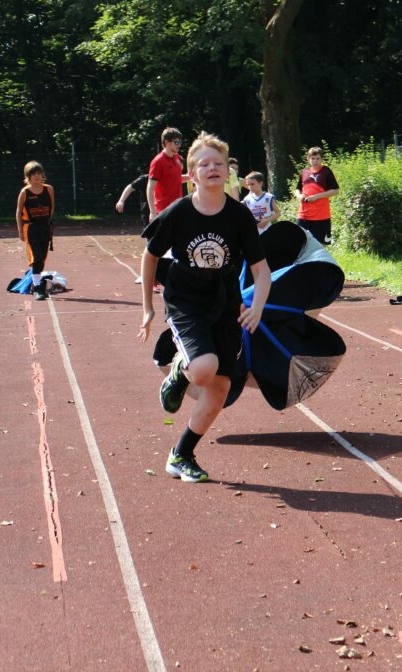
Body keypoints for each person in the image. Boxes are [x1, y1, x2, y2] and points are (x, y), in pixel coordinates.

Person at [138, 131, 271, 483]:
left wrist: (257, 307)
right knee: (202, 369)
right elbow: (150, 256)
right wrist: (148, 307)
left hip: (226, 303)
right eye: (204, 164)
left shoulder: (240, 216)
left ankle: (181, 454)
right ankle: (179, 372)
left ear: (228, 171)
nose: (212, 168)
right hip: (186, 301)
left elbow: (261, 271)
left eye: (218, 163)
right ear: (192, 174)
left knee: (221, 387)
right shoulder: (179, 213)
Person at [15, 161, 56, 301]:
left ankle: (35, 282)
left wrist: (48, 224)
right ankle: (38, 289)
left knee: (42, 259)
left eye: (39, 173)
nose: (37, 176)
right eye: (34, 174)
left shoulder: (49, 189)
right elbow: (18, 212)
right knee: (36, 258)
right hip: (31, 229)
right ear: (28, 176)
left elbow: (52, 208)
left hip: (45, 228)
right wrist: (20, 231)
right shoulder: (25, 192)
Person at [295, 146, 339, 244]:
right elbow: (297, 189)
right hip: (303, 216)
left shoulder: (326, 171)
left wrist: (316, 197)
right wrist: (299, 196)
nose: (315, 161)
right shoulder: (304, 172)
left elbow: (336, 191)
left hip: (321, 217)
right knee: (300, 244)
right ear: (308, 159)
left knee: (321, 246)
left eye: (318, 158)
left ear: (322, 159)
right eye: (313, 158)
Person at [116, 174, 152, 284]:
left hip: (165, 213)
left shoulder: (170, 177)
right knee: (150, 246)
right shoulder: (145, 179)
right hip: (149, 216)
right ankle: (146, 275)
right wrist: (121, 200)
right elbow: (130, 187)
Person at [146, 128, 186, 223]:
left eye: (180, 142)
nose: (179, 145)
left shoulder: (177, 157)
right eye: (176, 142)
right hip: (163, 211)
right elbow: (150, 188)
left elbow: (175, 179)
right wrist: (152, 211)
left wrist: (193, 176)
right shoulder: (158, 161)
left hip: (178, 208)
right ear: (167, 142)